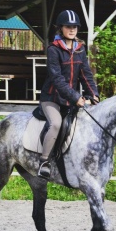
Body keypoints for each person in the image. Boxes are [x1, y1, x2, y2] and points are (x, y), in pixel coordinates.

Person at [38, 10, 100, 179]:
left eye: (74, 27)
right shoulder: (53, 49)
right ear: (61, 28)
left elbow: (85, 74)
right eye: (68, 27)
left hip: (70, 100)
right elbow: (57, 79)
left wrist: (93, 94)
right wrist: (76, 97)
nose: (72, 29)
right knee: (56, 124)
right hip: (51, 98)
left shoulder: (80, 49)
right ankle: (44, 161)